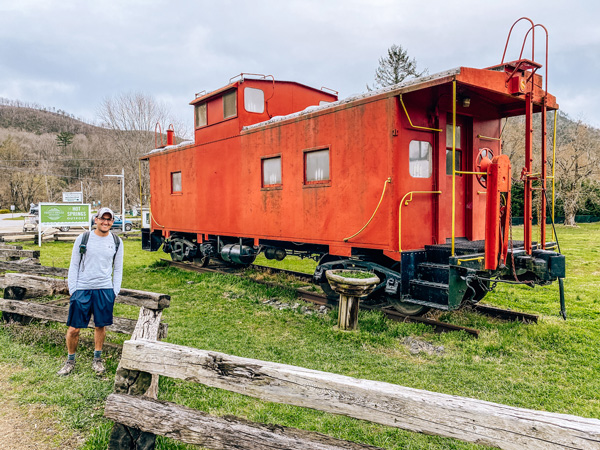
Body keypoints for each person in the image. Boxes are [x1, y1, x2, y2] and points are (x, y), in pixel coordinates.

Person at [57, 207, 124, 376]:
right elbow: (74, 265)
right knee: (74, 329)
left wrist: (114, 291)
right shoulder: (84, 238)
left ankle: (97, 359)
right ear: (96, 220)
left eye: (109, 219)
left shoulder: (116, 241)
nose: (106, 222)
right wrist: (74, 290)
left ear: (112, 222)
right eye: (103, 218)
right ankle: (70, 361)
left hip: (104, 289)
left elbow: (118, 269)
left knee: (100, 326)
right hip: (83, 289)